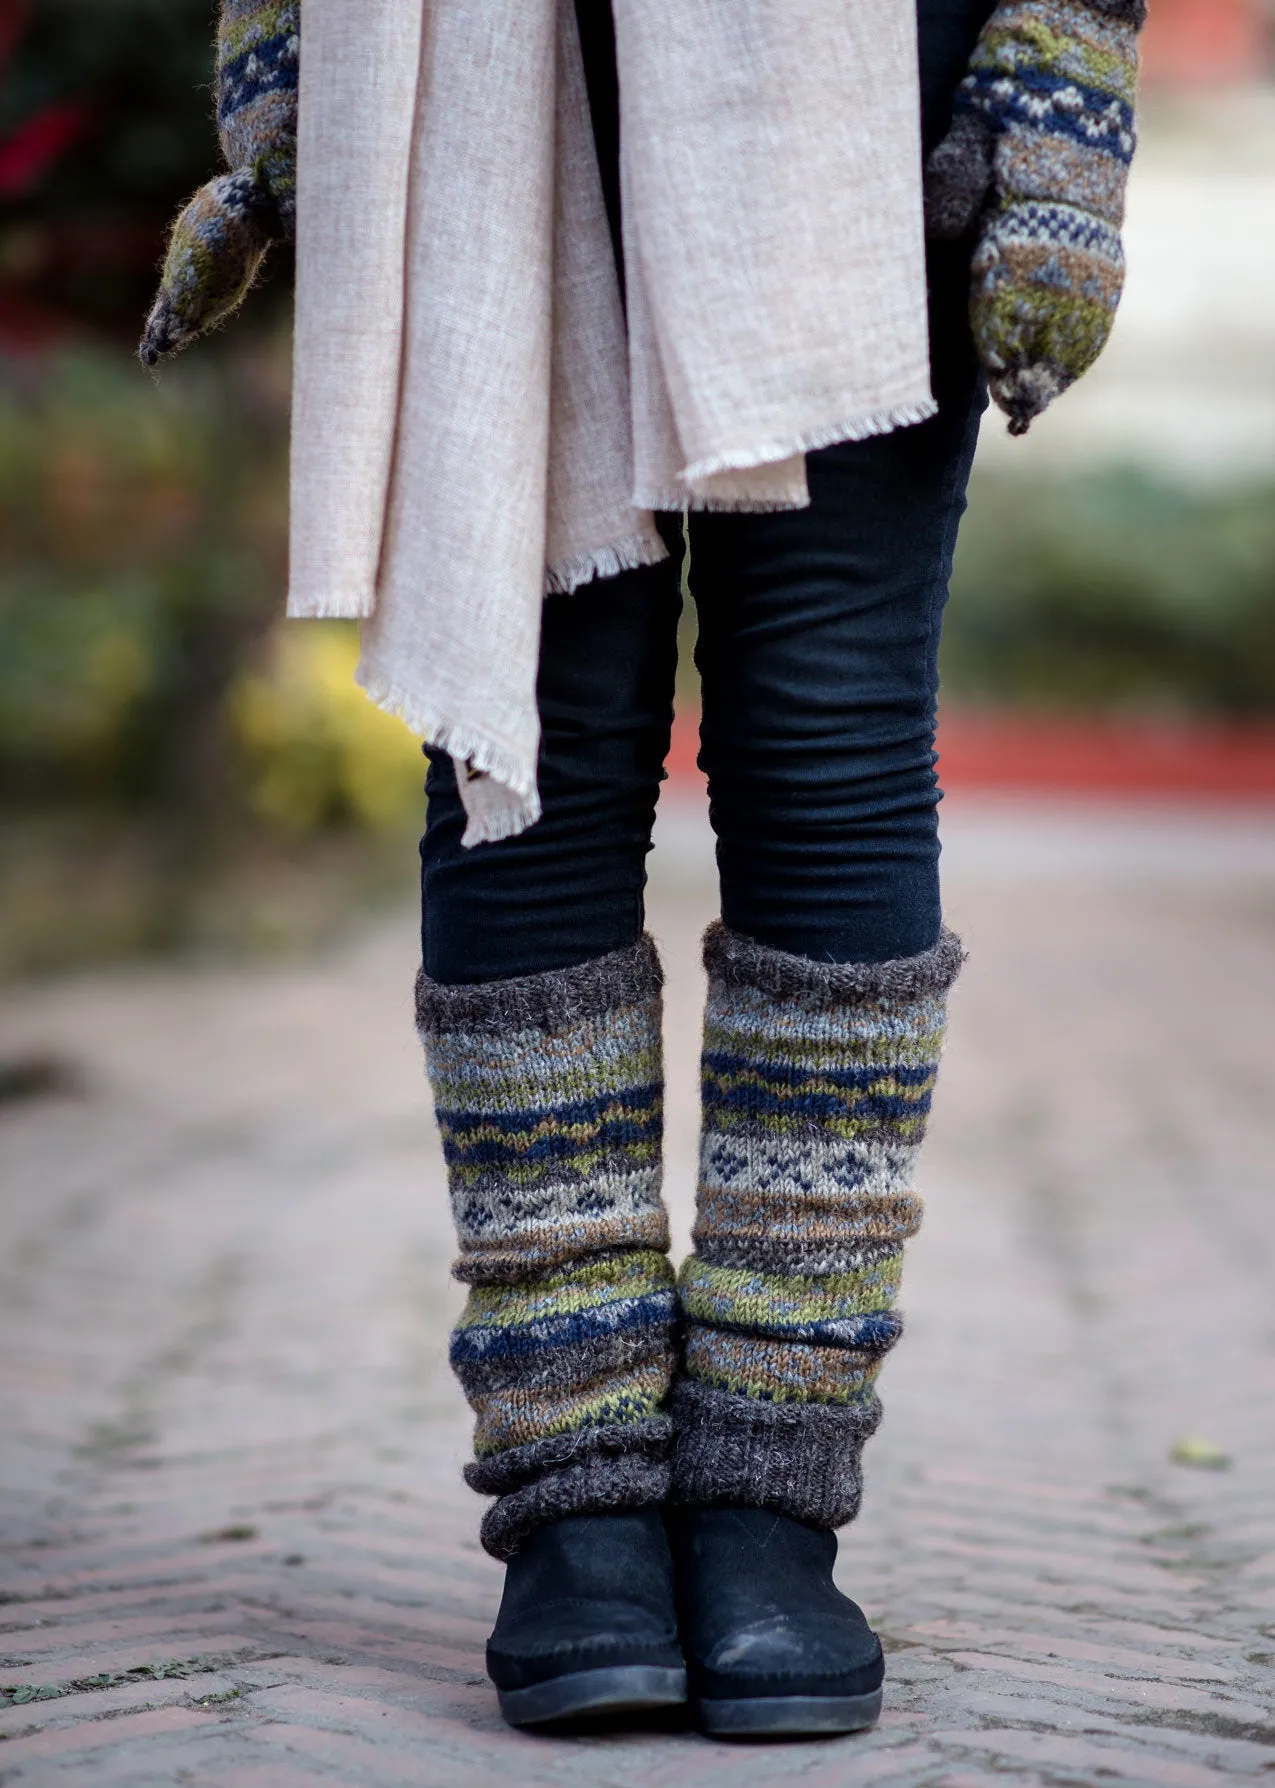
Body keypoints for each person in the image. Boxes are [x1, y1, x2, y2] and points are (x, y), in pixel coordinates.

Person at [143, 0, 1143, 1740]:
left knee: (826, 737)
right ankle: (577, 1492)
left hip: (856, 65)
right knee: (520, 737)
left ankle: (767, 1488)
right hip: (480, 69)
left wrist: (1069, 50)